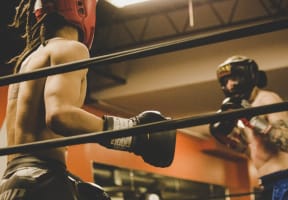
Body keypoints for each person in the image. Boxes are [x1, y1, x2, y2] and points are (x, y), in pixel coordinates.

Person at [0, 0, 176, 199]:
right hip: (43, 180)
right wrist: (132, 135)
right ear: (82, 7)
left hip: (11, 183)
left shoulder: (27, 61)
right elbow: (60, 115)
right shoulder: (71, 49)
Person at [209, 55, 288, 200]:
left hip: (283, 181)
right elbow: (248, 149)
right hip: (266, 184)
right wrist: (224, 133)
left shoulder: (267, 99)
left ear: (249, 76)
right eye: (225, 81)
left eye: (234, 78)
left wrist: (255, 120)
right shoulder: (239, 108)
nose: (230, 85)